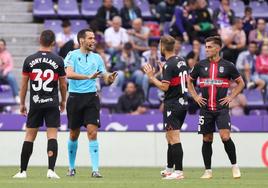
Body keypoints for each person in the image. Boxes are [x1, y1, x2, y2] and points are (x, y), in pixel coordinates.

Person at [187, 36, 244, 179]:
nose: (206, 50)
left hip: (221, 108)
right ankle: (208, 171)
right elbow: (189, 81)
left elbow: (241, 83)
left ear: (218, 48)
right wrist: (195, 96)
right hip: (205, 108)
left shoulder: (228, 65)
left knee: (225, 137)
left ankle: (235, 166)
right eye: (205, 47)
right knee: (207, 139)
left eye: (209, 47)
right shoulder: (200, 65)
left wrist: (231, 97)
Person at [13, 30, 67, 179]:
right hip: (52, 103)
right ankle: (51, 170)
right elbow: (63, 85)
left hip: (35, 103)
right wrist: (63, 101)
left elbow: (24, 85)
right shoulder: (58, 60)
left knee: (29, 136)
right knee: (52, 136)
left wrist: (22, 104)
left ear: (39, 40)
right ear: (53, 43)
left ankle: (23, 171)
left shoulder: (29, 60)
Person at [64, 28, 117, 178]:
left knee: (92, 133)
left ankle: (95, 170)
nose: (93, 40)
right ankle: (71, 168)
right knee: (74, 134)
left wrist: (109, 78)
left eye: (94, 38)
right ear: (82, 40)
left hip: (91, 98)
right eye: (90, 38)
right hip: (75, 98)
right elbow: (69, 74)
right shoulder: (72, 55)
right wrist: (88, 77)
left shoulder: (97, 58)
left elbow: (103, 75)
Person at [143, 35, 188, 180]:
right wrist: (164, 71)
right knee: (169, 136)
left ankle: (179, 172)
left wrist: (151, 76)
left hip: (173, 104)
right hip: (182, 103)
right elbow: (175, 80)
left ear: (162, 46)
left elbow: (164, 86)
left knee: (174, 137)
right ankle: (169, 168)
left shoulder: (169, 64)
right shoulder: (181, 61)